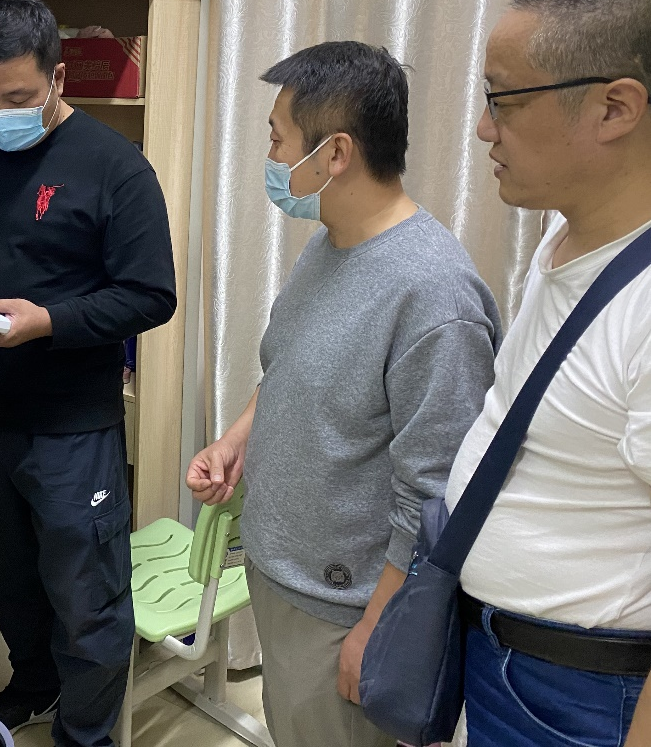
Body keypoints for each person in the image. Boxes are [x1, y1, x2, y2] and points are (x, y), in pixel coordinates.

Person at [185, 42, 501, 747]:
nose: (269, 155)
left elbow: (435, 494)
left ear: (334, 153)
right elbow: (288, 370)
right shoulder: (329, 245)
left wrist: (376, 626)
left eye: (277, 139)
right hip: (282, 573)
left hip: (346, 610)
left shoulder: (434, 297)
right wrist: (236, 442)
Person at [0, 0, 177, 746]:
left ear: (58, 79)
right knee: (9, 583)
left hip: (72, 427)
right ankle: (33, 686)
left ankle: (86, 735)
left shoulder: (114, 167)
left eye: (17, 98)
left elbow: (150, 296)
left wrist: (46, 321)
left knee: (87, 599)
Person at [448, 0, 651, 747]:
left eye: (502, 99)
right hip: (505, 654)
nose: (483, 127)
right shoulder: (569, 238)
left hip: (585, 695)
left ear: (614, 107)